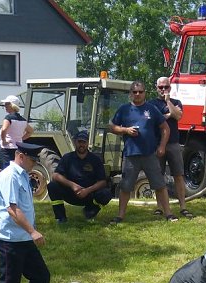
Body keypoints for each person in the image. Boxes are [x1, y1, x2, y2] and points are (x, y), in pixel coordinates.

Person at [0, 141, 51, 283]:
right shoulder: (9, 176)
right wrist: (33, 231)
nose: (34, 164)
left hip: (22, 238)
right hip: (10, 240)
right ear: (20, 156)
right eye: (32, 160)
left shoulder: (23, 174)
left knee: (41, 276)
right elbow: (12, 209)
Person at [108, 81, 174, 224]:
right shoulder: (124, 109)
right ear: (130, 93)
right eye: (134, 92)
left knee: (160, 185)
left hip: (150, 154)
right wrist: (126, 130)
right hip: (131, 155)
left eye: (140, 92)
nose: (137, 94)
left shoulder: (151, 109)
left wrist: (162, 146)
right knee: (125, 186)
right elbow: (112, 127)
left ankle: (169, 214)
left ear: (145, 93)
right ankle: (120, 216)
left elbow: (165, 128)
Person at [150, 76, 192, 218]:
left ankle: (183, 207)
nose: (163, 90)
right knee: (158, 176)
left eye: (166, 87)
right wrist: (168, 115)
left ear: (170, 88)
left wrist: (168, 102)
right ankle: (159, 207)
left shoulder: (176, 102)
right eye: (160, 87)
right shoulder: (152, 104)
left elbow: (178, 116)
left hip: (174, 143)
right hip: (156, 144)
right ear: (156, 88)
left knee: (178, 175)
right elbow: (155, 120)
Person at [47, 130, 111, 223]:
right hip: (71, 193)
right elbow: (55, 175)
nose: (81, 144)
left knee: (106, 193)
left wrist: (87, 190)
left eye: (84, 142)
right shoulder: (67, 158)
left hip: (89, 195)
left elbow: (102, 182)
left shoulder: (95, 159)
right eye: (79, 142)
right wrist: (73, 185)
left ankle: (90, 210)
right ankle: (61, 218)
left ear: (87, 143)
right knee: (52, 186)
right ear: (75, 142)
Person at [0, 95, 33, 169]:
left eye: (7, 104)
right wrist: (20, 139)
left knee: (6, 170)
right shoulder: (23, 120)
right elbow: (30, 131)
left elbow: (4, 129)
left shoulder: (8, 118)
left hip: (7, 149)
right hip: (18, 148)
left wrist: (4, 140)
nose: (5, 106)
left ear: (11, 105)